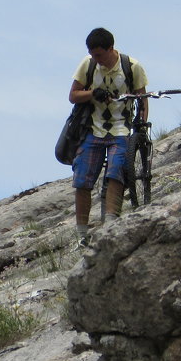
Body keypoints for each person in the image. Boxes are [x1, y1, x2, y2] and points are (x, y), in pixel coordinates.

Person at [67, 27, 149, 245]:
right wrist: (93, 93)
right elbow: (73, 95)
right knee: (82, 180)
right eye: (93, 55)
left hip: (121, 129)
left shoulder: (132, 67)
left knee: (115, 173)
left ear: (111, 48)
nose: (97, 59)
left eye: (100, 55)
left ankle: (110, 226)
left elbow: (142, 99)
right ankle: (82, 235)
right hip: (93, 128)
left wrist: (140, 126)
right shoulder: (88, 64)